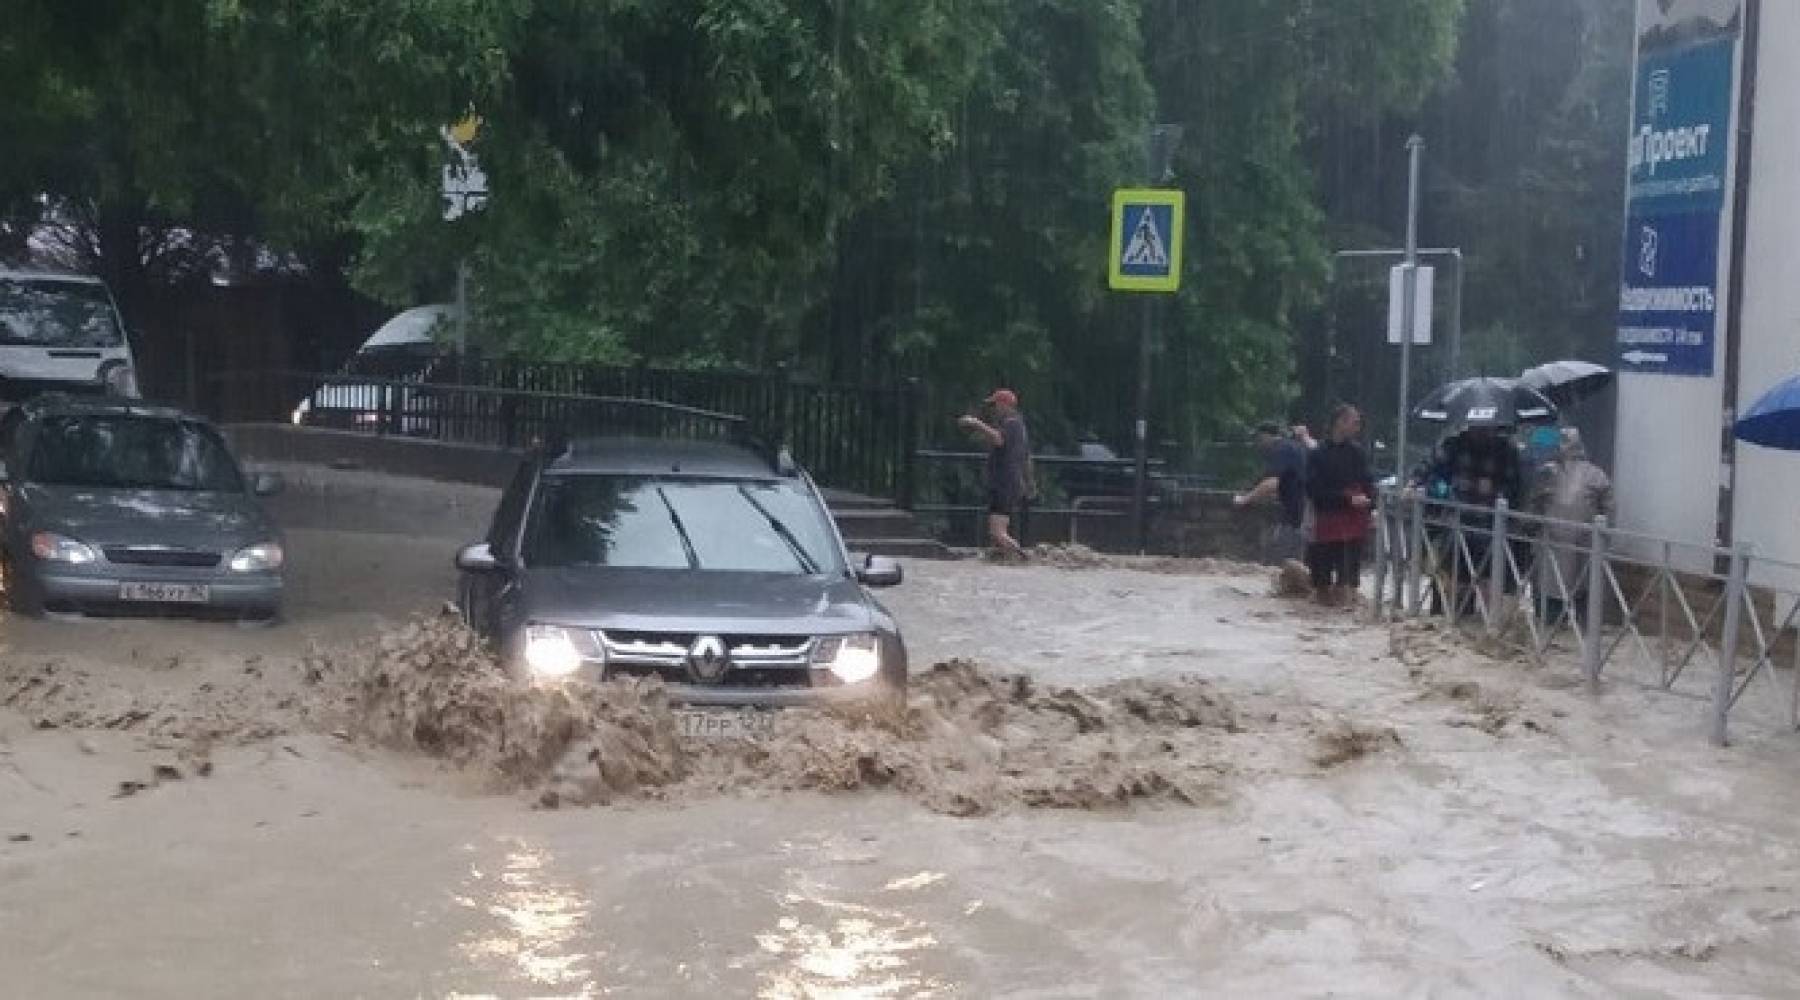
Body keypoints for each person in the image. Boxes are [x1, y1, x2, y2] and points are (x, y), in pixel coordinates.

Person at [1413, 422, 1526, 617]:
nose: (1481, 431)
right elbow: (1430, 464)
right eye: (1477, 427)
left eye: (1486, 428)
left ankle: (1482, 624)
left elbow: (1515, 487)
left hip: (1490, 526)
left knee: (1487, 577)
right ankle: (1445, 615)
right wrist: (1414, 482)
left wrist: (1497, 492)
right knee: (1450, 574)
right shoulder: (1454, 444)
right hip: (1457, 523)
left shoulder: (1507, 450)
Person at [1531, 428, 1614, 626]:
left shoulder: (1547, 473)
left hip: (1552, 539)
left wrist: (1532, 525)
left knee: (1551, 588)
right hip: (1584, 541)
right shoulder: (1596, 475)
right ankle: (1584, 627)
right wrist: (1605, 536)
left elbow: (1534, 503)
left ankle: (1552, 624)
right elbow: (1609, 509)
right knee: (1583, 585)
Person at [1305, 404, 1375, 606]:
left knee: (1348, 574)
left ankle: (1345, 603)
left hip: (1354, 520)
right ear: (1340, 422)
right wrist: (1346, 498)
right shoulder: (1318, 454)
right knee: (1322, 576)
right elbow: (1314, 490)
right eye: (1355, 422)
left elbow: (1368, 482)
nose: (1358, 427)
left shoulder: (1358, 453)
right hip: (1327, 518)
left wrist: (1372, 507)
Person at [957, 388, 1034, 559]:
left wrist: (976, 423)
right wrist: (1029, 482)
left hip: (1004, 483)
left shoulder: (1012, 424)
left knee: (998, 532)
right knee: (997, 531)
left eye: (995, 404)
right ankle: (1008, 559)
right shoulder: (1018, 425)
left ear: (1005, 404)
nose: (994, 409)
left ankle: (1022, 556)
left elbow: (998, 439)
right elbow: (1026, 457)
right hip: (1008, 482)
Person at [1235, 421, 1309, 564]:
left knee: (1281, 560)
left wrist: (1245, 499)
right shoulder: (1292, 447)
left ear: (1267, 436)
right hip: (1303, 510)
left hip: (1298, 512)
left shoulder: (1281, 450)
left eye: (1258, 438)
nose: (1257, 443)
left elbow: (1273, 482)